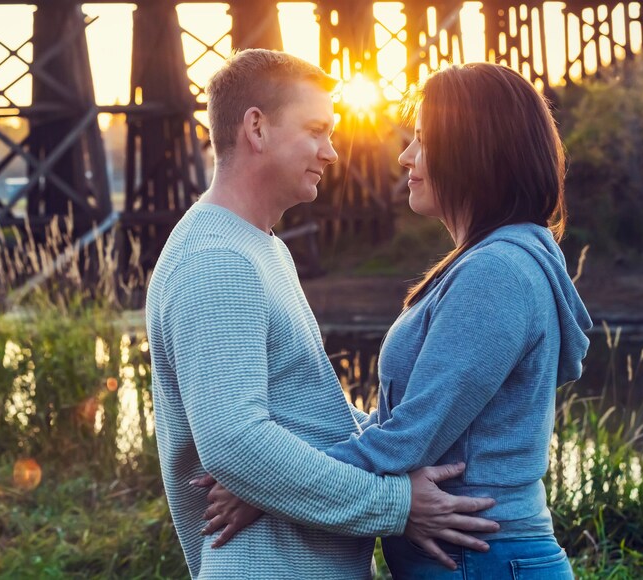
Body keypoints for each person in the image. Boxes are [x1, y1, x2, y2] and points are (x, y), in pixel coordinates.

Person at [201, 62, 593, 578]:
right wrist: (279, 471)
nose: (406, 156)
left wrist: (266, 489)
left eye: (424, 141)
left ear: (475, 150)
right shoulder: (489, 262)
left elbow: (412, 435)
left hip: (485, 560)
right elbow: (399, 425)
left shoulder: (497, 271)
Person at [144, 49, 500, 579]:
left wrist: (402, 452)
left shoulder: (259, 247)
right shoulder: (215, 261)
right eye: (316, 130)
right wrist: (398, 505)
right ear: (257, 129)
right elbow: (235, 444)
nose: (331, 152)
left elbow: (309, 419)